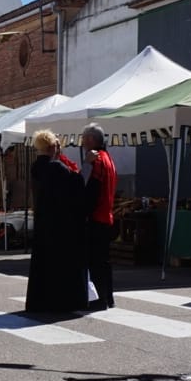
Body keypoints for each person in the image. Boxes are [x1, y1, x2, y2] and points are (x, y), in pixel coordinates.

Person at [24, 130, 89, 314]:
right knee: (59, 265)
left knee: (43, 265)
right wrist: (87, 165)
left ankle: (40, 301)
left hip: (43, 221)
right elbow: (77, 184)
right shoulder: (57, 168)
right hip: (60, 223)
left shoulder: (36, 167)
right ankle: (61, 301)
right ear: (52, 146)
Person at [79, 125, 118, 311]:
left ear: (92, 140)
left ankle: (99, 299)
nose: (82, 142)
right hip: (106, 216)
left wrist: (83, 212)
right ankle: (108, 297)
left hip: (96, 216)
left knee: (95, 261)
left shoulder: (96, 160)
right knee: (104, 261)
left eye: (84, 138)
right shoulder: (109, 158)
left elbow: (91, 190)